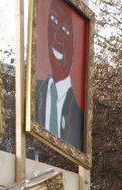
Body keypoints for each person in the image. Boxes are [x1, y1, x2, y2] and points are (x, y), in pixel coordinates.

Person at [34, 0, 84, 150]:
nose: (57, 38)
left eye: (65, 31)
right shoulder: (34, 93)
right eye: (53, 23)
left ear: (74, 50)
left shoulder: (78, 113)